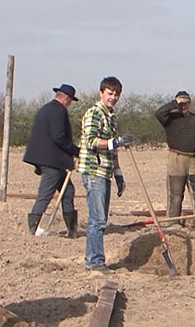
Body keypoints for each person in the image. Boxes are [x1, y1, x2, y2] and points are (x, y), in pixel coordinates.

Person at [77, 76, 134, 274]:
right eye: (109, 93)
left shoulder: (111, 116)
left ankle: (96, 260)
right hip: (94, 170)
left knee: (101, 218)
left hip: (106, 171)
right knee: (97, 219)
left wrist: (118, 172)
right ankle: (94, 262)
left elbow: (112, 149)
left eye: (116, 94)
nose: (113, 97)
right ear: (101, 93)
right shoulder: (94, 113)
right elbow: (91, 141)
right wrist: (115, 142)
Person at [23, 84, 81, 238]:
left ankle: (72, 229)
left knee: (68, 191)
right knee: (46, 193)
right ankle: (34, 227)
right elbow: (58, 137)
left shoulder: (47, 109)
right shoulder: (57, 111)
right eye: (70, 100)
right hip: (52, 161)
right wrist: (76, 151)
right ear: (66, 98)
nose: (70, 104)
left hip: (55, 161)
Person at [155, 91, 195, 228]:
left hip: (193, 159)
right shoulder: (170, 118)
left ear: (189, 103)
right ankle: (173, 222)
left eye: (185, 103)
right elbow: (158, 113)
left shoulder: (194, 118)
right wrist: (174, 103)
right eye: (180, 104)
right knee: (175, 193)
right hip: (176, 158)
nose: (183, 106)